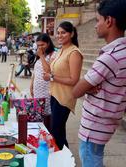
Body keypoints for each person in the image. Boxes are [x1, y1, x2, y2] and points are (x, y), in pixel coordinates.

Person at [72, 0, 126, 166]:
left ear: (109, 21)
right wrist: (89, 86)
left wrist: (86, 87)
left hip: (94, 127)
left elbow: (76, 91)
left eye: (98, 20)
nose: (96, 26)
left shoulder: (109, 58)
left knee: (91, 161)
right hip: (106, 124)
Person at [43, 21, 83, 150]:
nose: (60, 35)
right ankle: (65, 158)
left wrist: (52, 77)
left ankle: (64, 158)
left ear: (71, 34)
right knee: (58, 131)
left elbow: (74, 80)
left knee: (56, 131)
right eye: (58, 33)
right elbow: (51, 69)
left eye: (63, 33)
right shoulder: (61, 50)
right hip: (55, 94)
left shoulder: (74, 53)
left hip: (64, 98)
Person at [29, 33, 56, 129]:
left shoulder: (53, 55)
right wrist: (31, 85)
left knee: (46, 115)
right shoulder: (41, 55)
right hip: (37, 90)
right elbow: (35, 72)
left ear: (48, 43)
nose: (40, 47)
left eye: (42, 45)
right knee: (38, 114)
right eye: (38, 45)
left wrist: (41, 56)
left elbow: (48, 71)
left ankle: (47, 135)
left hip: (47, 91)